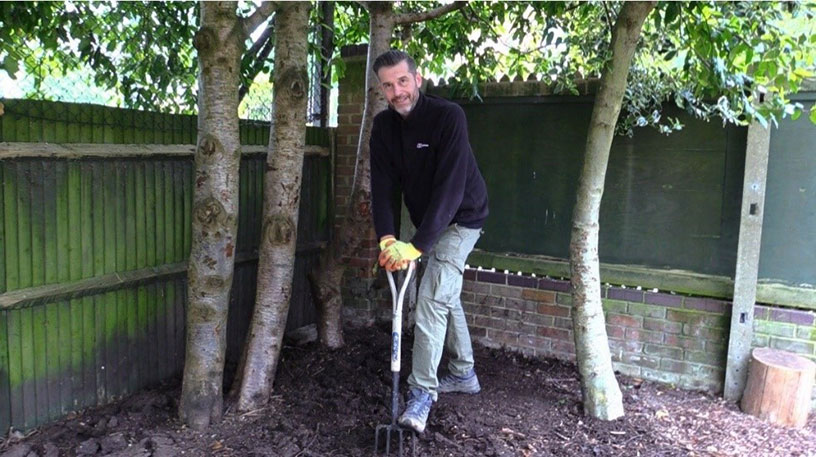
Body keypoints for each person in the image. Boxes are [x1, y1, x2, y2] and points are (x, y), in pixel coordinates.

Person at [369, 49, 489, 434]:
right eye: (388, 85)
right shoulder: (383, 128)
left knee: (430, 299)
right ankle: (463, 372)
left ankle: (421, 393)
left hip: (463, 216)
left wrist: (417, 246)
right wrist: (388, 238)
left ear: (418, 79)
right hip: (429, 223)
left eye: (403, 81)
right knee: (444, 292)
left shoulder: (447, 117)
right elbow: (383, 188)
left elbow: (452, 189)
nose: (397, 91)